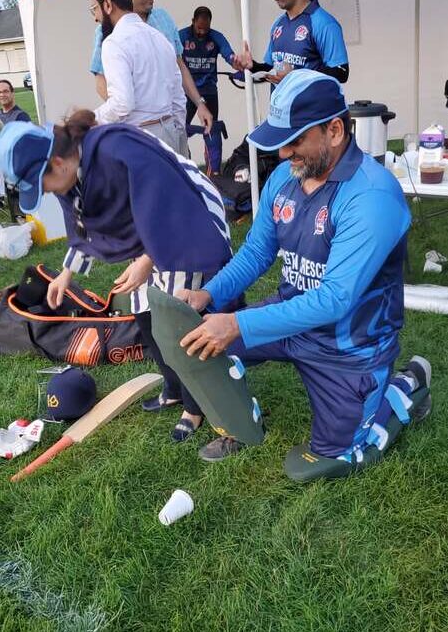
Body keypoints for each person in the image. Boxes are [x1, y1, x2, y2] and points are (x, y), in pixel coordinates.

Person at [176, 70, 431, 480]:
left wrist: (237, 323)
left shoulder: (372, 196)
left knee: (337, 458)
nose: (283, 153)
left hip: (348, 343)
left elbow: (334, 300)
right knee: (203, 344)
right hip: (291, 316)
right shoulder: (286, 177)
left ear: (335, 131)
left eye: (294, 140)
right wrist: (209, 296)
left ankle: (406, 385)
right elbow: (257, 251)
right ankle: (241, 421)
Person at [0, 113, 239, 443]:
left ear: (57, 162)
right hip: (150, 238)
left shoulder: (120, 150)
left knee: (178, 323)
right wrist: (66, 274)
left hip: (189, 227)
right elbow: (81, 224)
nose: (48, 193)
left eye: (43, 185)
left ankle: (194, 407)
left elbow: (170, 207)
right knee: (144, 315)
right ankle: (173, 389)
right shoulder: (70, 171)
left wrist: (147, 261)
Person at [90, 0, 213, 137]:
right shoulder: (110, 33)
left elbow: (179, 68)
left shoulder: (162, 20)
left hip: (159, 131)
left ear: (107, 4)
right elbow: (101, 81)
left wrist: (195, 107)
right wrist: (135, 117)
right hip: (146, 129)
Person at [235, 0, 349, 86]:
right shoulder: (278, 24)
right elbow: (272, 68)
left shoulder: (324, 23)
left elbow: (341, 72)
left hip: (312, 102)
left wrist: (295, 76)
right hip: (280, 103)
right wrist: (253, 66)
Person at [179, 6, 238, 174]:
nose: (202, 32)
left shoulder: (216, 37)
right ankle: (184, 167)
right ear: (192, 22)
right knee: (180, 129)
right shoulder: (181, 36)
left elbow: (229, 55)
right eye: (199, 28)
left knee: (211, 131)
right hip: (187, 92)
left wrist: (236, 62)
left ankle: (214, 173)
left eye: (206, 29)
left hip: (209, 91)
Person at [0, 79, 30, 216]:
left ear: (12, 93)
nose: (2, 95)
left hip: (16, 169)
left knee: (22, 215)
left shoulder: (21, 116)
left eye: (5, 91)